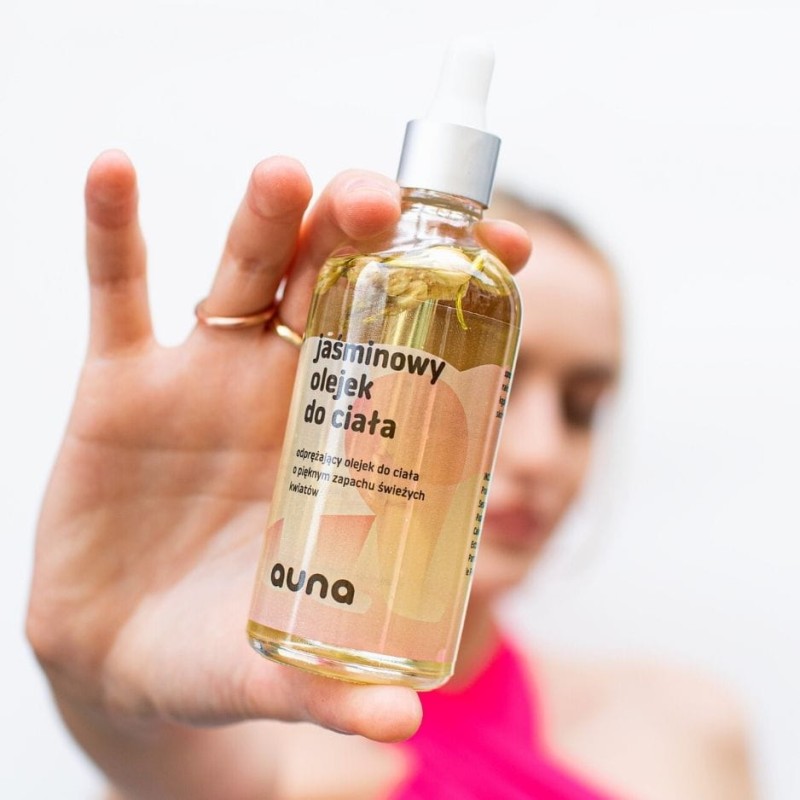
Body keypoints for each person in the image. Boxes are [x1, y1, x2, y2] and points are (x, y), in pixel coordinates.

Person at [26, 151, 756, 799]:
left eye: (582, 408)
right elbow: (167, 767)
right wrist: (103, 704)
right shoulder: (245, 749)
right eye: (490, 390)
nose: (542, 453)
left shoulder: (691, 732)